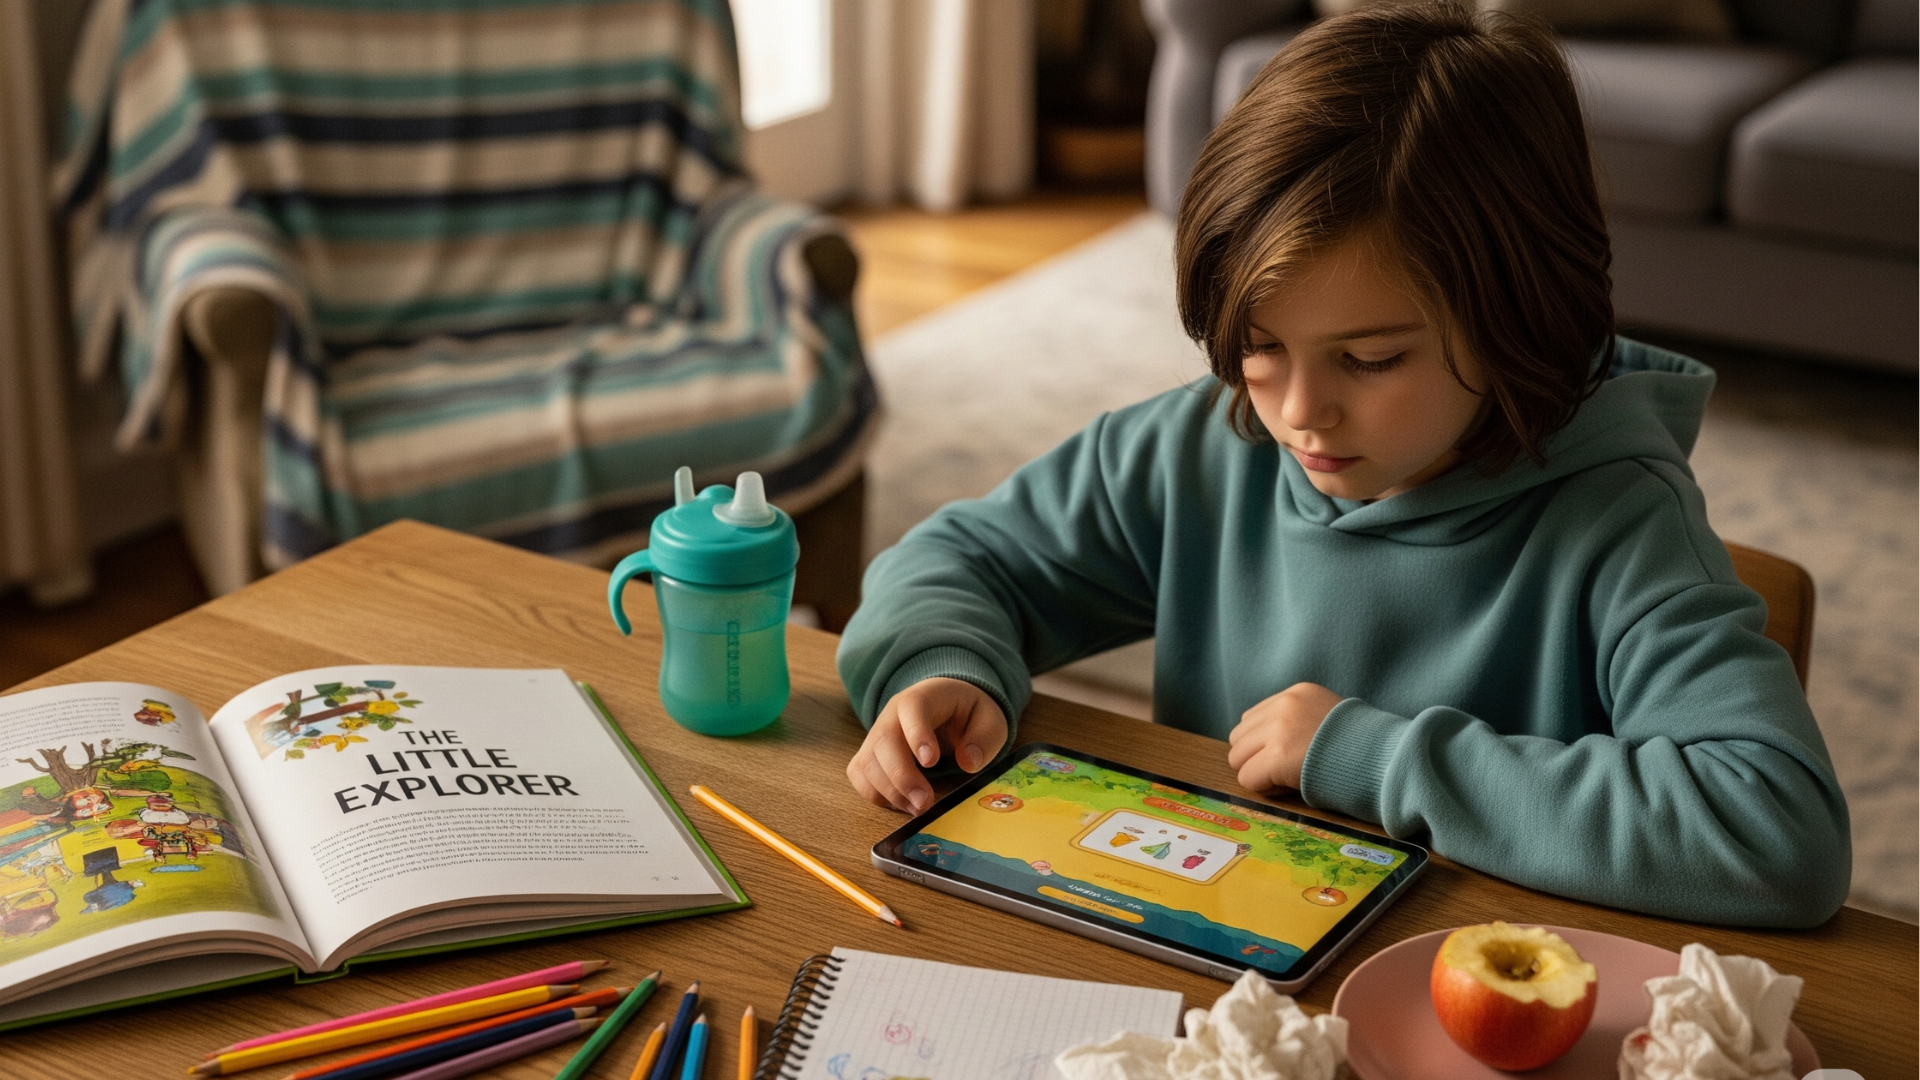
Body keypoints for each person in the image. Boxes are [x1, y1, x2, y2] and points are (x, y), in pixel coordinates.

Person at [836, 2, 1849, 927]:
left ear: (1518, 316)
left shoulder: (1621, 521)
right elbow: (957, 561)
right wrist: (940, 666)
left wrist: (1378, 757)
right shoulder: (1204, 445)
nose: (1297, 412)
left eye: (1370, 359)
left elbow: (1778, 830)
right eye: (1259, 345)